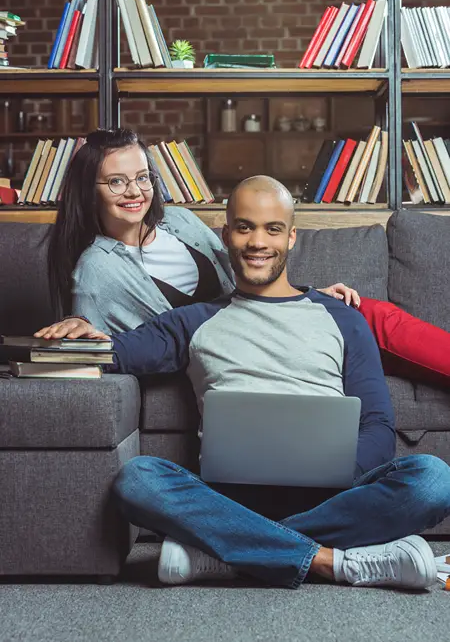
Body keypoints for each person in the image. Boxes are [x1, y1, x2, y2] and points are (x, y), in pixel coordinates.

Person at [35, 175, 450, 591]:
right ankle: (330, 562)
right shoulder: (192, 321)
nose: (257, 242)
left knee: (433, 479)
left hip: (337, 495)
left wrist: (336, 473)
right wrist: (81, 330)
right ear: (226, 234)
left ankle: (228, 552)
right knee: (138, 480)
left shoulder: (342, 317)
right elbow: (114, 352)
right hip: (231, 496)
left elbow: (377, 425)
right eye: (245, 226)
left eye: (272, 229)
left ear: (291, 238)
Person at [42, 128, 358, 336]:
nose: (134, 192)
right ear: (89, 190)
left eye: (142, 177)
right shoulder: (96, 269)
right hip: (235, 350)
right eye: (116, 182)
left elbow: (249, 279)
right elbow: (88, 342)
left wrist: (308, 297)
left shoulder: (180, 221)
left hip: (263, 326)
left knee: (360, 314)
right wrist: (80, 325)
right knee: (369, 324)